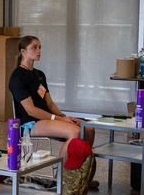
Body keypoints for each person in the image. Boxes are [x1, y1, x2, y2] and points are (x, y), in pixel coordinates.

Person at [8, 36, 97, 187]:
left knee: (88, 129)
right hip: (29, 123)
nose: (39, 51)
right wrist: (60, 120)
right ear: (23, 51)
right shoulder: (17, 77)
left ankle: (80, 176)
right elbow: (31, 110)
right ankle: (59, 181)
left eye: (40, 47)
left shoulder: (39, 74)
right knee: (74, 133)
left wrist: (64, 116)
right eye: (34, 47)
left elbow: (49, 102)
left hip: (47, 118)